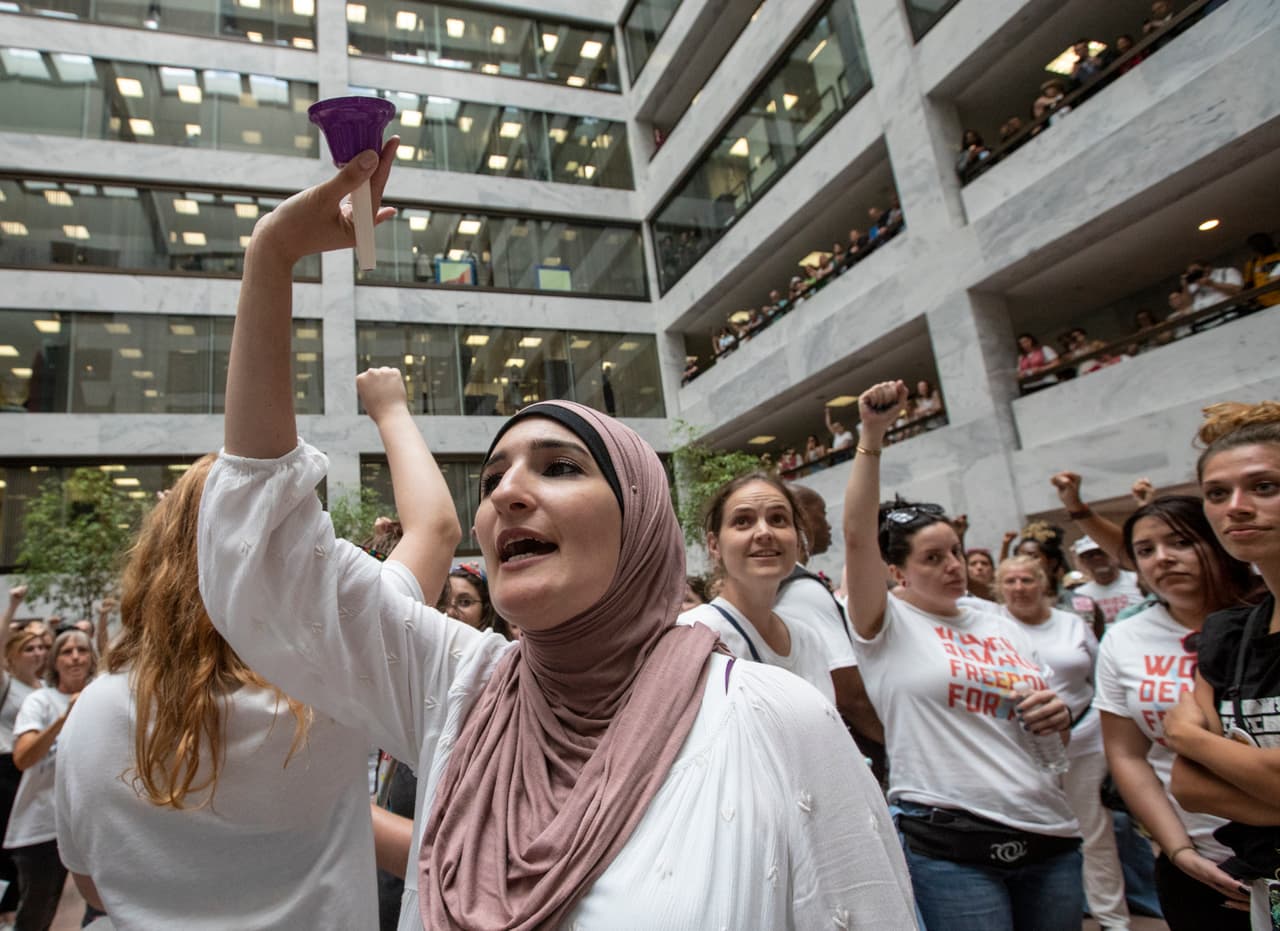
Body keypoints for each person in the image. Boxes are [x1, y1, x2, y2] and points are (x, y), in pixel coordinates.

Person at [196, 142, 918, 930]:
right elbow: (268, 562)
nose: (507, 492)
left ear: (641, 523)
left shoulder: (773, 718)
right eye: (494, 477)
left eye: (560, 466)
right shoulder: (462, 691)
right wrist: (272, 257)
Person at [55, 367, 447, 928]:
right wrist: (390, 409)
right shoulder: (327, 686)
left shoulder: (90, 712)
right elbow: (433, 531)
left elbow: (91, 885)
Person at [843, 379, 1082, 931]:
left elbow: (1047, 731)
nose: (953, 565)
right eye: (932, 557)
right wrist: (872, 434)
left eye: (954, 550)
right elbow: (858, 536)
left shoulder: (998, 621)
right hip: (949, 838)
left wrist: (1058, 716)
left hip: (1049, 831)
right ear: (897, 570)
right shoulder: (886, 623)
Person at [1094, 494, 1260, 930]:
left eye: (1180, 542)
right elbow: (1127, 755)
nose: (1163, 559)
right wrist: (1181, 852)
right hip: (1196, 863)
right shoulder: (1124, 638)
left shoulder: (1267, 616)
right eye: (1146, 551)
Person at [1164, 401, 1280, 930]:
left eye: (1264, 487)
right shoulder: (1230, 636)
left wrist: (1189, 737)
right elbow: (1189, 787)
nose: (1235, 507)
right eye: (1217, 493)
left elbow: (1186, 743)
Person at [997, 556, 1130, 930]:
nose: (1019, 588)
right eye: (1010, 581)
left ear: (1044, 583)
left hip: (1085, 740)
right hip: (1019, 748)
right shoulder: (992, 628)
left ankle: (1113, 920)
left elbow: (1102, 678)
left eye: (1027, 579)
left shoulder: (1072, 624)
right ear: (1000, 588)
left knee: (1095, 831)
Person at [679, 473, 853, 707]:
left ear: (797, 539)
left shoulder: (808, 639)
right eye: (742, 521)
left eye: (778, 519)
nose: (764, 532)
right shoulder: (692, 635)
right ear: (714, 545)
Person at [4, 629, 94, 931]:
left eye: (82, 650)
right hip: (43, 826)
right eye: (67, 652)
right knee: (37, 910)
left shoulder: (101, 697)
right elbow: (23, 757)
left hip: (90, 823)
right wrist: (62, 719)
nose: (76, 657)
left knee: (100, 906)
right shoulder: (39, 700)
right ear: (55, 661)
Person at [0, 587, 45, 922]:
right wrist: (12, 606)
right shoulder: (6, 684)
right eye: (29, 648)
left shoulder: (44, 689)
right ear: (12, 657)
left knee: (28, 844)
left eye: (41, 647)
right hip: (6, 771)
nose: (37, 653)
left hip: (36, 771)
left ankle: (15, 908)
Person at [1072, 536, 1145, 627]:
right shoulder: (1081, 595)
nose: (1097, 558)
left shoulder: (1138, 581)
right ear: (1082, 561)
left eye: (1101, 552)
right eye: (1090, 556)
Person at [1242, 232, 1280, 308]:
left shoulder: (1278, 257)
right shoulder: (1253, 264)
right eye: (1255, 245)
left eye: (1261, 243)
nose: (1259, 247)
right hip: (1264, 305)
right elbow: (1248, 285)